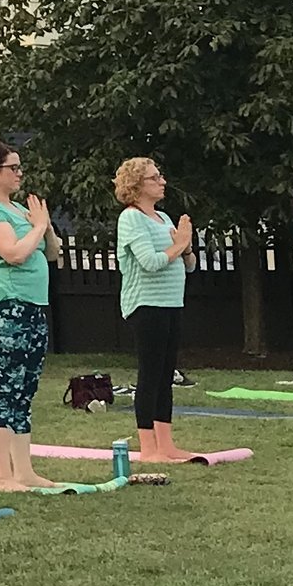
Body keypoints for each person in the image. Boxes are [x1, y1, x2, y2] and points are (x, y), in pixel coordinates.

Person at [0, 142, 60, 492]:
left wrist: (45, 226)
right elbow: (13, 253)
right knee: (7, 385)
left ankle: (24, 471)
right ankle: (1, 475)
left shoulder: (21, 210)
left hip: (33, 304)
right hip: (5, 304)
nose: (20, 173)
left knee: (26, 387)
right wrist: (36, 227)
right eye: (13, 167)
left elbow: (51, 253)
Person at [113, 156, 193, 465]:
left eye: (160, 176)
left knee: (166, 374)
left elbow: (188, 265)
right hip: (146, 304)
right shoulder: (131, 218)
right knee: (150, 374)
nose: (162, 182)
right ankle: (148, 447)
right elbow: (150, 262)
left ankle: (166, 443)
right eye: (153, 178)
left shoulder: (164, 217)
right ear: (136, 186)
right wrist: (178, 246)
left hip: (172, 302)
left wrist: (185, 247)